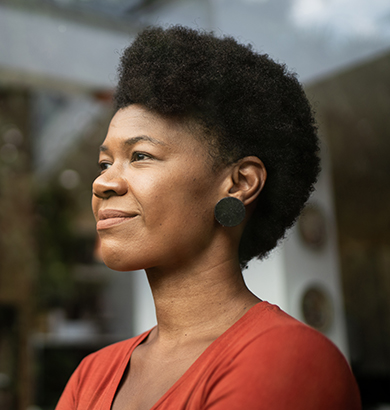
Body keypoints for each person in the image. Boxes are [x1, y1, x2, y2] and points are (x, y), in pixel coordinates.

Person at [56, 26, 361, 410]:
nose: (103, 182)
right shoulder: (92, 375)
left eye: (140, 156)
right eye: (104, 163)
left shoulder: (286, 358)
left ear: (239, 183)